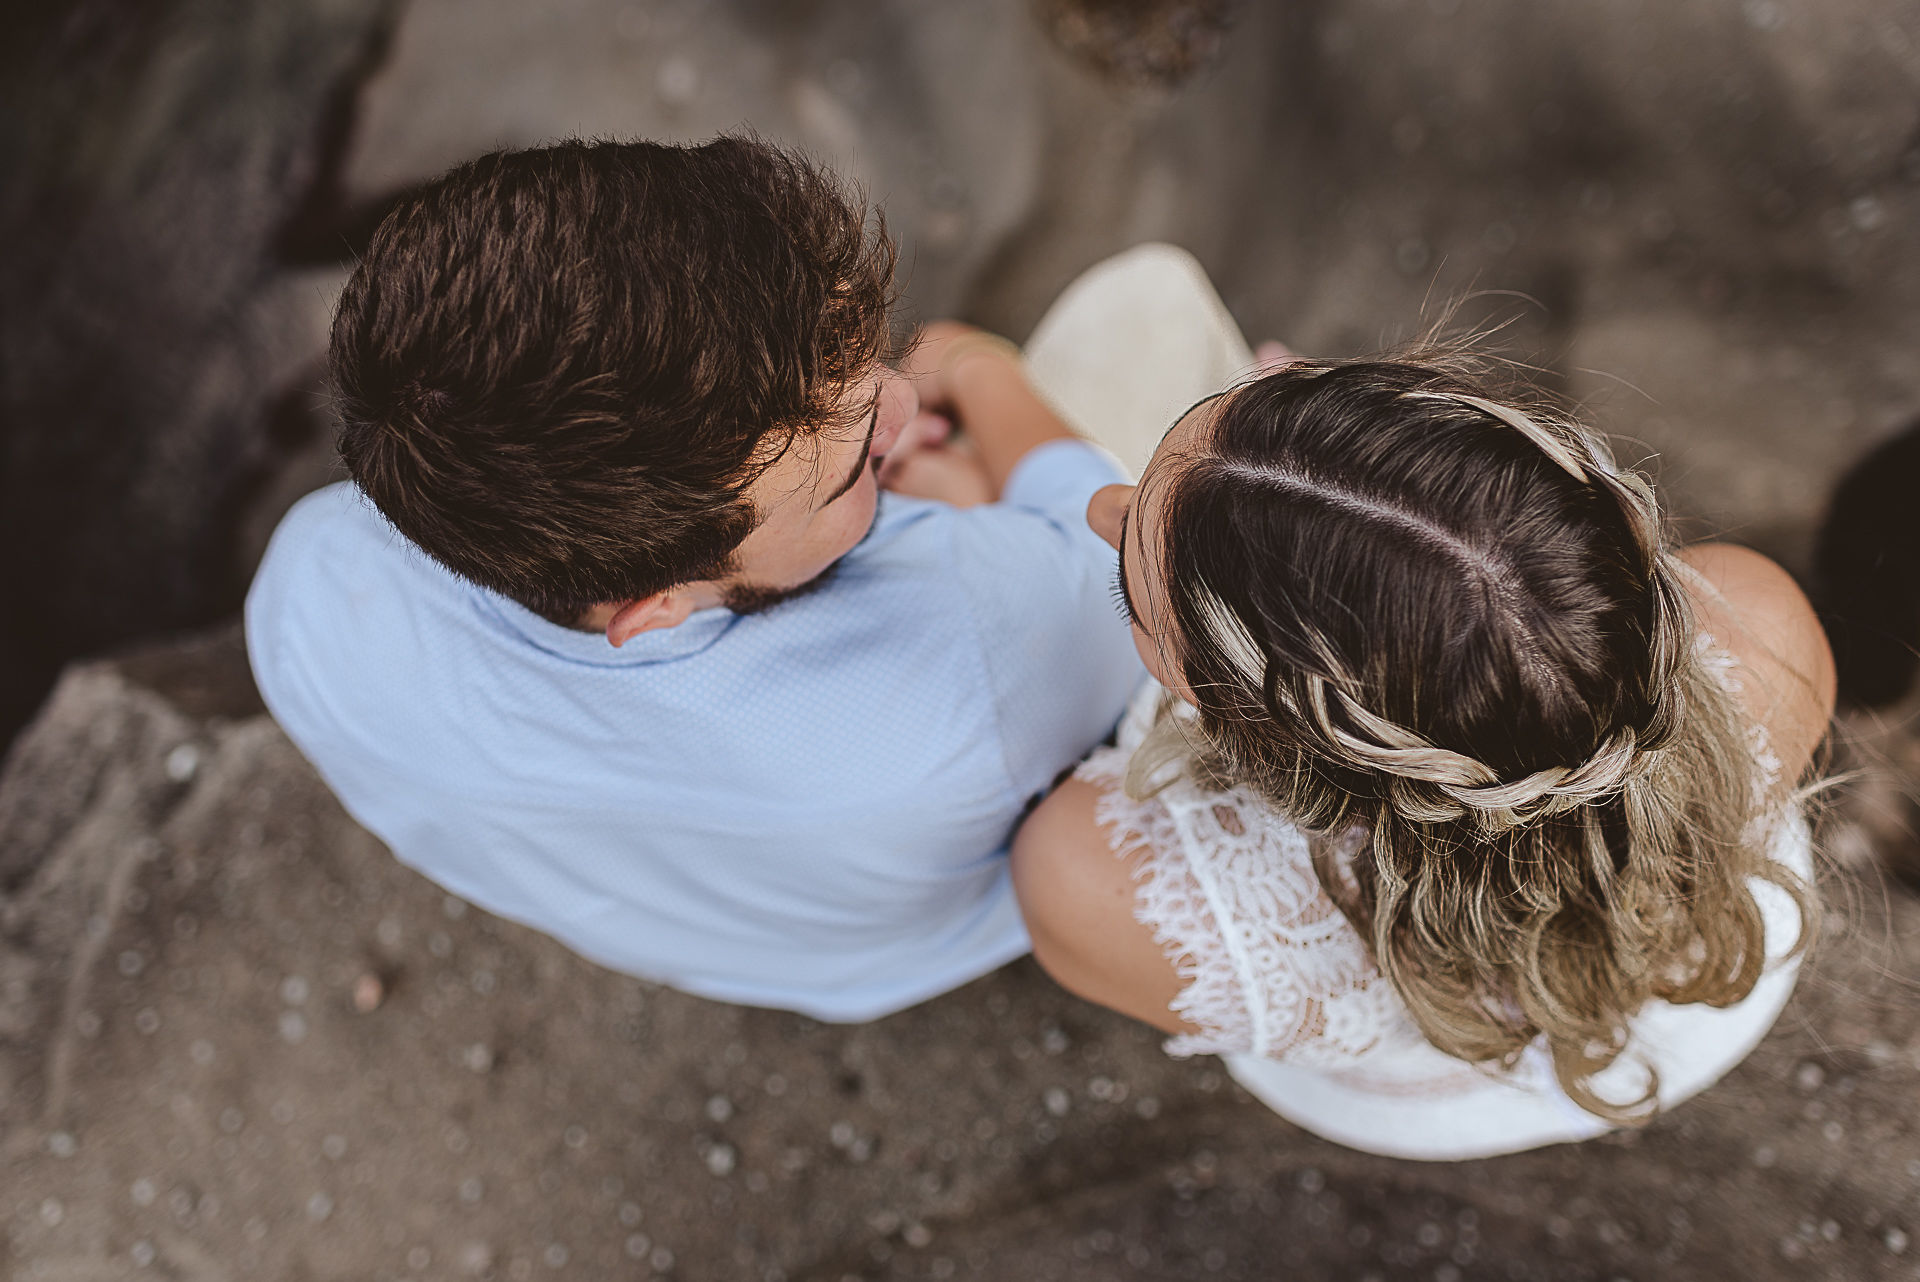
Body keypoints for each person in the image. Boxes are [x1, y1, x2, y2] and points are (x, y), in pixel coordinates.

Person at [244, 136, 1145, 1022]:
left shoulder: (305, 592)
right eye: (845, 478)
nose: (901, 401)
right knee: (1151, 299)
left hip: (760, 935)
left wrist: (870, 483)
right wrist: (978, 368)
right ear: (655, 607)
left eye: (864, 346)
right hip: (944, 898)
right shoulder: (976, 655)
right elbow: (1122, 560)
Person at [1002, 279, 1835, 1157]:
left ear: (1250, 723)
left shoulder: (1090, 881)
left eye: (1129, 594)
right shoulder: (1761, 622)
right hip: (1701, 1009)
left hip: (1430, 1090)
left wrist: (982, 375)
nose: (1101, 507)